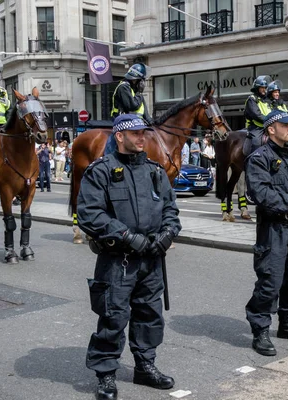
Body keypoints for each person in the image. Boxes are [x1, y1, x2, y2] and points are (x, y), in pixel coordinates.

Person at [77, 114, 181, 399]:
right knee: (113, 318)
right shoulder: (101, 171)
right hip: (118, 260)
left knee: (149, 315)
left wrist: (168, 234)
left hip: (151, 259)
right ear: (120, 136)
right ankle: (106, 375)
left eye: (143, 133)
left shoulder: (155, 171)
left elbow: (171, 209)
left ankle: (145, 366)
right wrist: (126, 236)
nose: (141, 138)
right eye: (135, 133)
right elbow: (89, 214)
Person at [244, 109, 288, 356]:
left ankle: (287, 324)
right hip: (272, 228)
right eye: (285, 125)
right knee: (270, 282)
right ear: (271, 129)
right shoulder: (258, 159)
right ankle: (260, 331)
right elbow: (260, 193)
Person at [105, 63, 151, 155]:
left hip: (137, 121)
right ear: (137, 79)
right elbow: (132, 106)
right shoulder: (123, 87)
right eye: (142, 80)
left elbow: (143, 108)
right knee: (119, 137)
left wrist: (150, 121)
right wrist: (139, 94)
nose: (143, 83)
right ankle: (109, 155)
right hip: (122, 119)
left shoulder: (134, 90)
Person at [243, 76, 272, 155]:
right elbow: (256, 114)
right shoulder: (251, 99)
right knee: (257, 142)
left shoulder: (267, 100)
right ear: (257, 88)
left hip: (269, 125)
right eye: (261, 87)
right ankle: (255, 160)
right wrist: (269, 120)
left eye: (265, 87)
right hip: (256, 127)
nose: (264, 89)